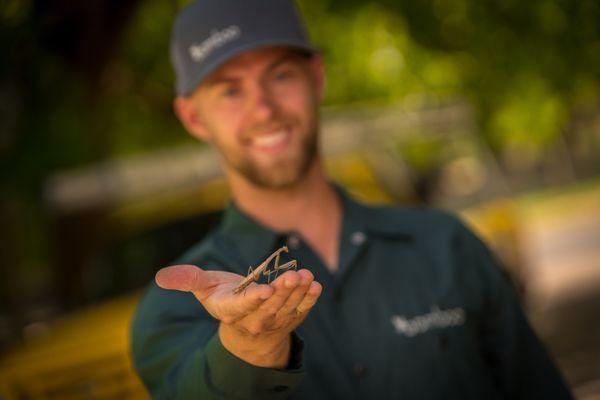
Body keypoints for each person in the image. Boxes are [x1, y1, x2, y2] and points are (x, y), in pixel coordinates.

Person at [131, 1, 573, 399]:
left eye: (281, 74)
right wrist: (249, 344)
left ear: (317, 78)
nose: (263, 109)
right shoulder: (170, 309)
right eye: (230, 90)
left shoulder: (447, 246)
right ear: (193, 116)